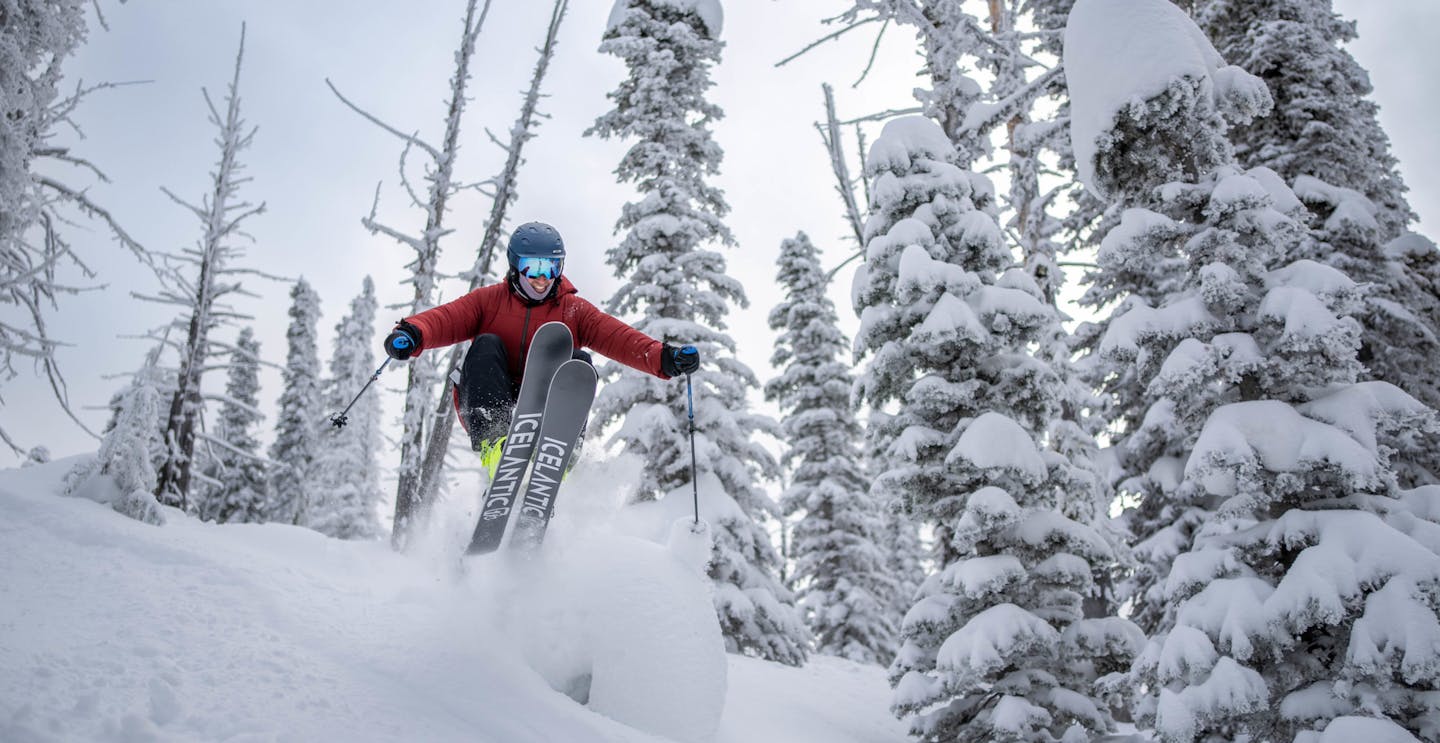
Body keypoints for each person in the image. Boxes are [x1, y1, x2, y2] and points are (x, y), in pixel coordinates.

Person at [381, 221, 701, 468]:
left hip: (546, 398)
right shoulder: (488, 301)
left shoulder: (573, 310)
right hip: (491, 398)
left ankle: (558, 453)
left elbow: (618, 337)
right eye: (532, 267)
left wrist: (664, 358)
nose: (542, 278)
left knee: (578, 361)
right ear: (515, 266)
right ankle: (497, 449)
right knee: (486, 345)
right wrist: (412, 334)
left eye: (551, 268)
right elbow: (444, 318)